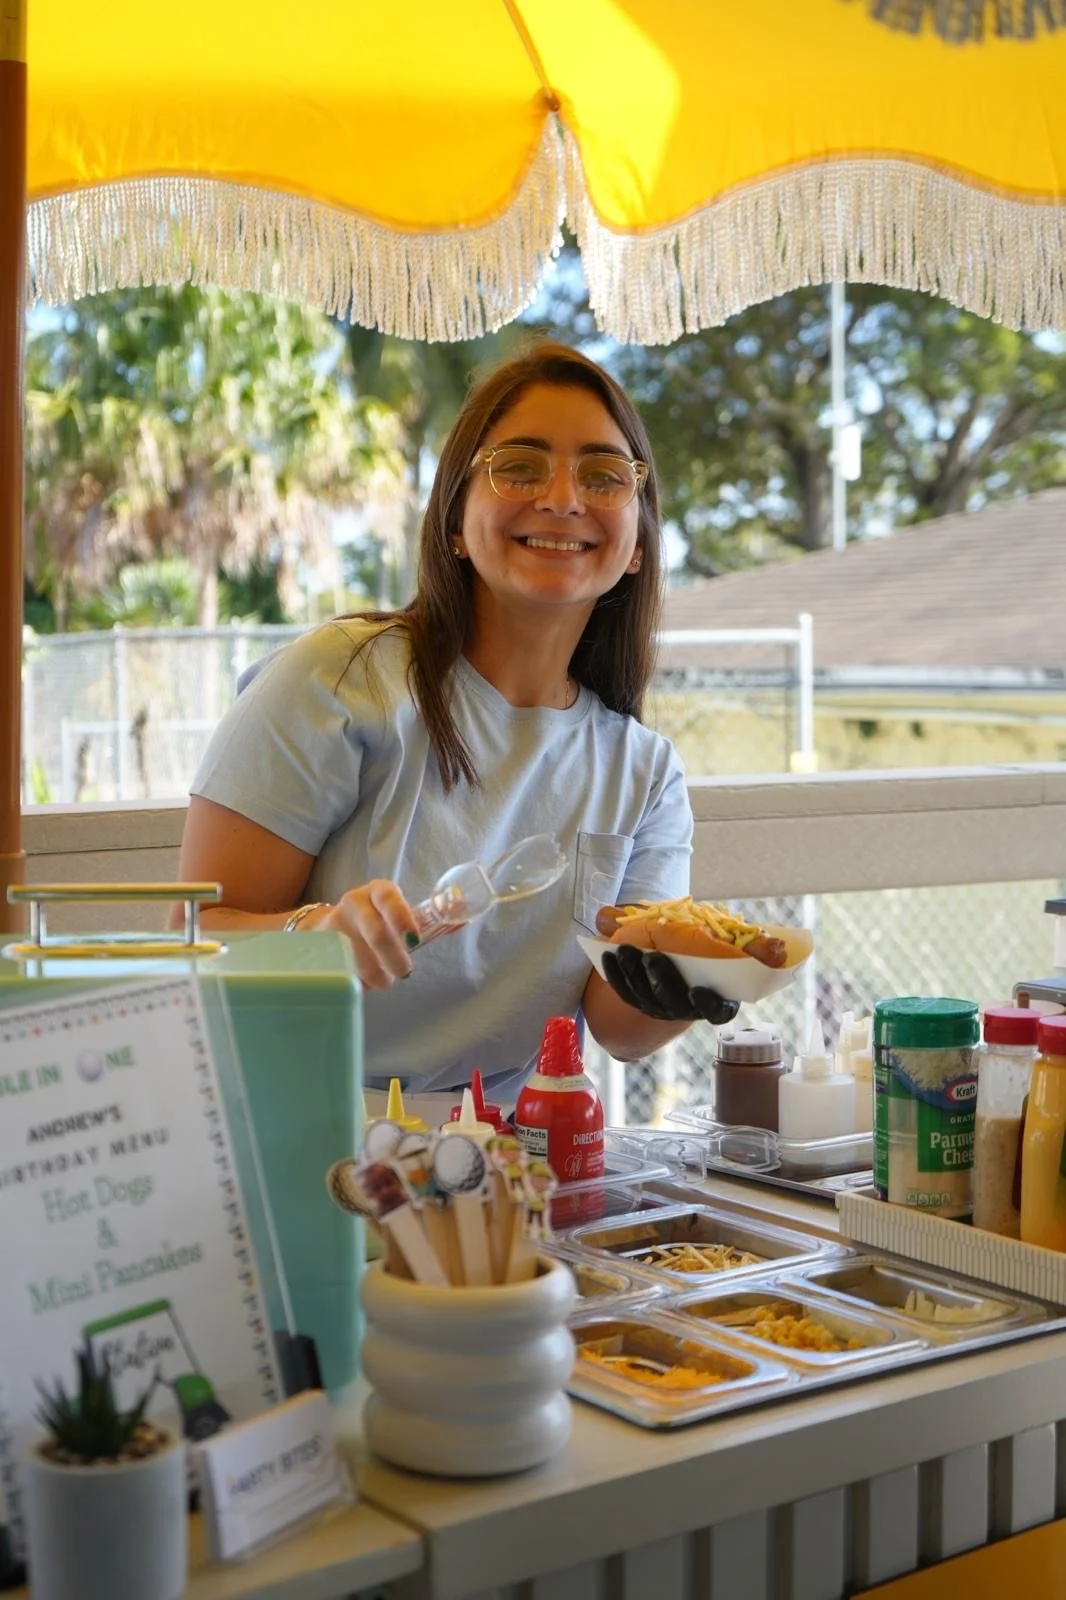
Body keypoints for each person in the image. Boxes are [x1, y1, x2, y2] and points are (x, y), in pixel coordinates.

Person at [176, 340, 733, 1110]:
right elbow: (193, 936)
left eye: (605, 475)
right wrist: (315, 936)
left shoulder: (644, 771)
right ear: (455, 525)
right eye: (520, 466)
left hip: (507, 1145)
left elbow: (618, 1027)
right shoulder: (340, 679)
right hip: (290, 1118)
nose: (564, 497)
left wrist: (702, 981)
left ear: (637, 543)